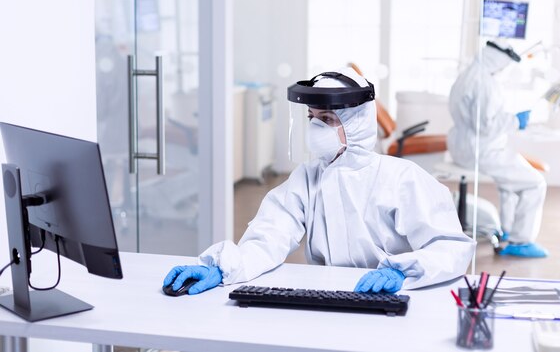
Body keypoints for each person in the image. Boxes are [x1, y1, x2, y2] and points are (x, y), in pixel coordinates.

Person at [163, 67, 475, 295]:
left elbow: (450, 248)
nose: (314, 127)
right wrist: (221, 267)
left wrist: (404, 272)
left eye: (326, 120)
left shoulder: (403, 179)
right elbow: (268, 238)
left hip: (397, 300)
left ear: (356, 125)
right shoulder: (307, 178)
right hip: (331, 298)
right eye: (311, 117)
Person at [447, 40, 549, 258]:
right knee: (535, 183)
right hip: (480, 150)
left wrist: (511, 119)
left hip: (463, 145)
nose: (505, 69)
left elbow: (479, 119)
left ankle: (507, 229)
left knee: (512, 179)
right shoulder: (484, 83)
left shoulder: (469, 74)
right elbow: (487, 126)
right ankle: (521, 241)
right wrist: (515, 121)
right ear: (498, 59)